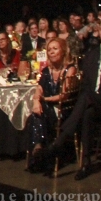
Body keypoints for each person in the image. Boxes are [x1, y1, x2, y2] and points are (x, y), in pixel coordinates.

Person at [37, 17, 101, 180]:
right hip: (93, 103)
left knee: (88, 97)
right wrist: (93, 96)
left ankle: (60, 143)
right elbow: (86, 84)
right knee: (88, 111)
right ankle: (85, 164)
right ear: (99, 31)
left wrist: (99, 93)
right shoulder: (92, 54)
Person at [27, 37, 77, 173]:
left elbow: (64, 96)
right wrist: (36, 101)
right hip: (48, 108)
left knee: (39, 112)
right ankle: (40, 149)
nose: (51, 52)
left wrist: (44, 100)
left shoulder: (70, 70)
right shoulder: (46, 71)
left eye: (55, 49)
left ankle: (39, 150)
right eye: (49, 50)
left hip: (64, 108)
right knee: (36, 113)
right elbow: (39, 89)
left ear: (63, 51)